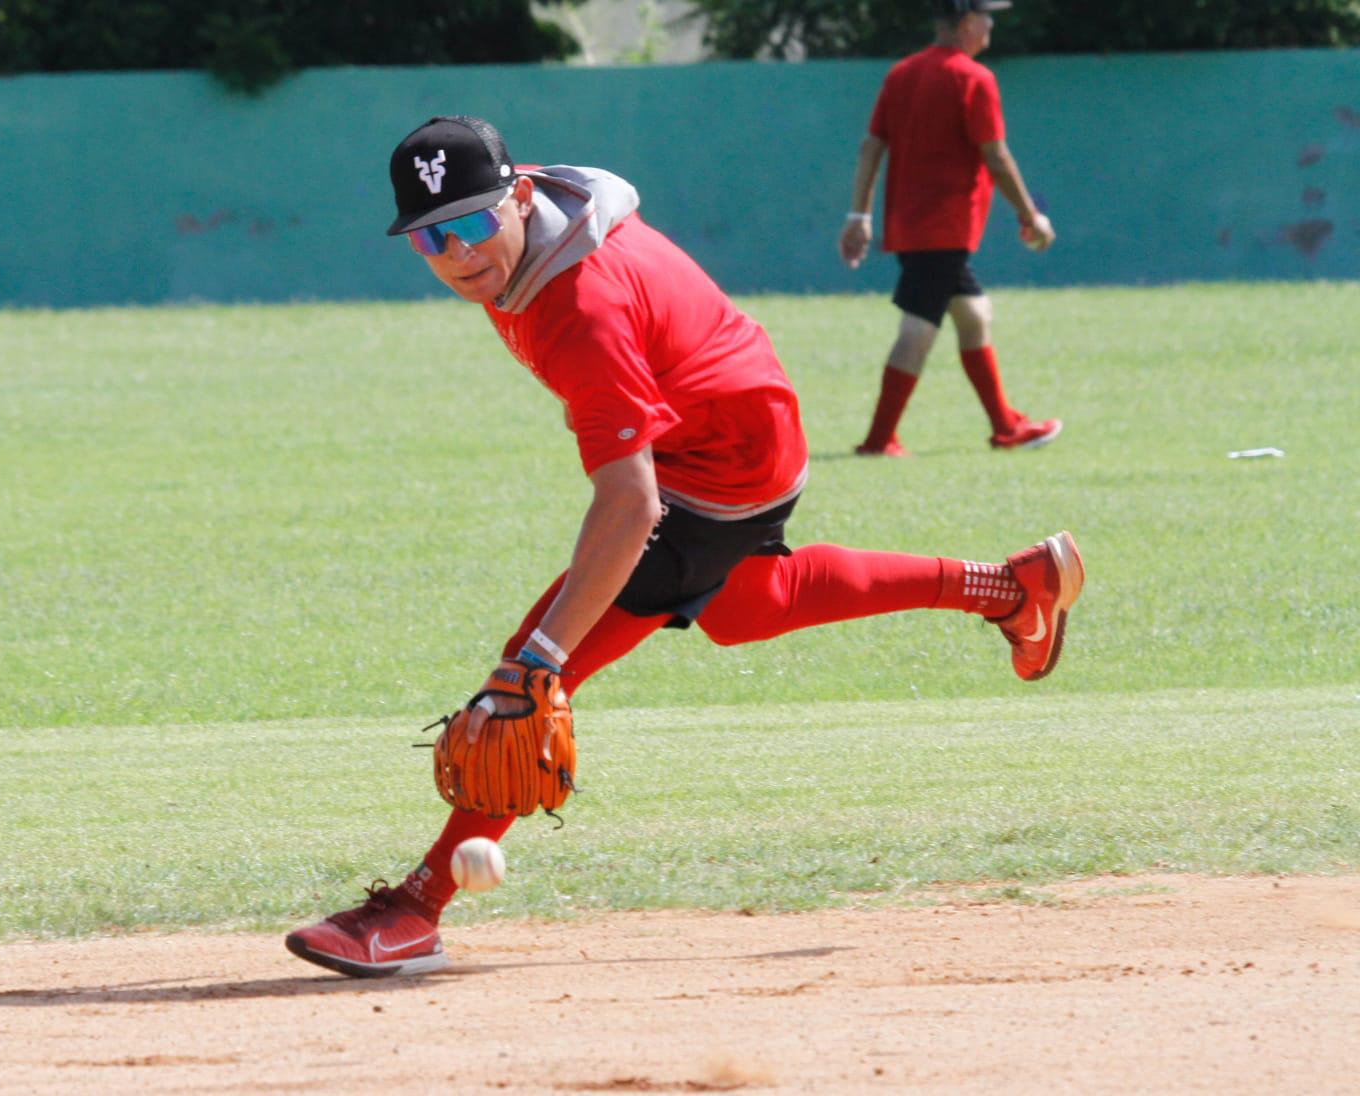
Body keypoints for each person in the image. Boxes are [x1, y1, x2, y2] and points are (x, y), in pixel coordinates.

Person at [285, 115, 1084, 978]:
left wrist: (541, 657)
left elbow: (630, 505)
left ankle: (416, 909)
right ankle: (1007, 587)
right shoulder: (538, 219)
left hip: (721, 463)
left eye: (474, 221)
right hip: (730, 414)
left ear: (521, 196)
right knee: (751, 607)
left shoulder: (577, 308)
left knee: (526, 678)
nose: (458, 253)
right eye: (431, 237)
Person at [839, 0, 1060, 457]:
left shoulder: (901, 74)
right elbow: (996, 156)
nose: (991, 25)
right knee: (917, 331)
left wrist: (859, 215)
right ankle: (879, 440)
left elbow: (870, 146)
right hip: (945, 227)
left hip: (914, 227)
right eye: (986, 16)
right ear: (966, 23)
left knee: (974, 315)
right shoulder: (973, 78)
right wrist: (1029, 215)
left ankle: (1005, 425)